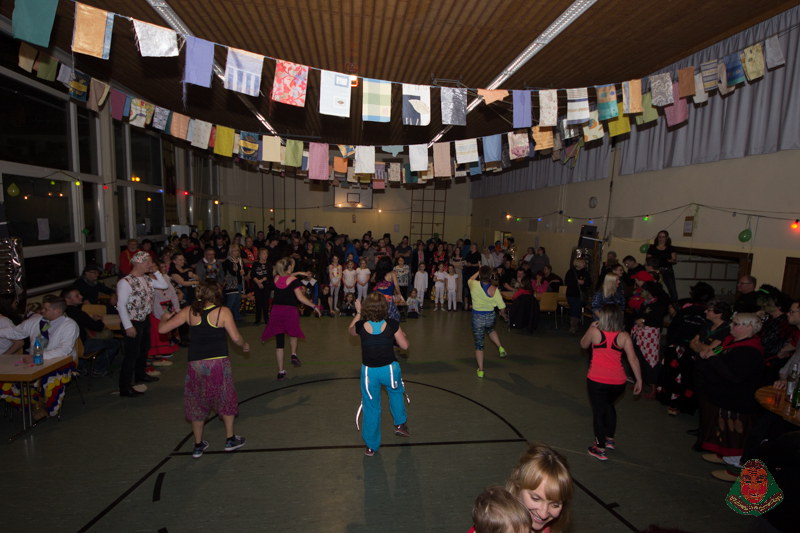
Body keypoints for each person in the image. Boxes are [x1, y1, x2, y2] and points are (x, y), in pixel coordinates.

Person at [158, 281, 247, 458]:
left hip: (196, 364)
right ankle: (230, 439)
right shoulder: (223, 312)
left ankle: (198, 445)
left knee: (197, 401)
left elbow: (162, 329)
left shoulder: (188, 311)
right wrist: (244, 345)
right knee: (225, 398)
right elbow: (236, 337)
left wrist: (164, 317)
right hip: (218, 363)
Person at [696, 312, 765, 481]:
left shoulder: (749, 351)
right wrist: (709, 353)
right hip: (723, 396)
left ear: (749, 328)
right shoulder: (732, 342)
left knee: (735, 434)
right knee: (723, 429)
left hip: (737, 400)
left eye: (736, 324)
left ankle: (735, 469)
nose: (731, 326)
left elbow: (734, 376)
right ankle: (723, 454)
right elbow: (719, 351)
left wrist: (713, 359)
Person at [348, 292, 410, 457]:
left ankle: (371, 446)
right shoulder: (392, 324)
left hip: (370, 372)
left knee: (371, 406)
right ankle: (400, 423)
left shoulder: (361, 325)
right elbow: (404, 346)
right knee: (395, 393)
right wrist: (402, 336)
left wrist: (358, 313)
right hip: (389, 369)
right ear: (385, 308)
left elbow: (351, 331)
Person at [0, 295, 79, 420]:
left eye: (46, 309)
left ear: (57, 311)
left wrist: (38, 356)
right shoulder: (36, 321)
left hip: (61, 362)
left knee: (49, 380)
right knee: (7, 379)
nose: (42, 311)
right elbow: (15, 332)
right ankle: (34, 402)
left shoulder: (69, 325)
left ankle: (45, 407)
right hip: (34, 361)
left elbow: (64, 350)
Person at [580, 305, 643, 461]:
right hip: (618, 382)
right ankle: (609, 439)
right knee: (609, 406)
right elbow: (633, 359)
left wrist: (590, 328)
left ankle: (600, 448)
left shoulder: (594, 332)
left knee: (599, 412)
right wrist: (639, 380)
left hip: (597, 380)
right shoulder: (624, 336)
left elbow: (583, 344)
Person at [116, 251, 170, 397]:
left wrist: (156, 271)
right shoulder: (125, 282)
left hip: (145, 319)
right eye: (148, 262)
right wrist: (128, 326)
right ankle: (125, 386)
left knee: (143, 350)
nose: (150, 265)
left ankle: (140, 375)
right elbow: (121, 305)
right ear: (138, 263)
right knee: (131, 355)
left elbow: (164, 285)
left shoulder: (146, 279)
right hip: (133, 321)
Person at [260, 257, 321, 380]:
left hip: (276, 311)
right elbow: (300, 298)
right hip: (290, 311)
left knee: (279, 343)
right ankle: (293, 354)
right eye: (292, 265)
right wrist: (314, 306)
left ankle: (281, 371)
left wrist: (299, 273)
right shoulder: (294, 281)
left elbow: (285, 276)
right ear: (289, 267)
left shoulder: (276, 278)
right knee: (293, 333)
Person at [505, 444, 574, 533]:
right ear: (518, 485)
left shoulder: (553, 527)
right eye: (535, 498)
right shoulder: (495, 526)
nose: (543, 514)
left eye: (555, 505)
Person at [61, 287, 119, 377]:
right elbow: (98, 327)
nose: (81, 296)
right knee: (114, 343)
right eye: (77, 296)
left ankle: (81, 367)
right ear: (67, 299)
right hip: (81, 346)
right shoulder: (78, 313)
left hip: (68, 346)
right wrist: (98, 320)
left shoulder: (62, 312)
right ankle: (99, 369)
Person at [469, 266, 508, 378]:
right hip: (490, 316)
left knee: (479, 345)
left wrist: (479, 270)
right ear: (491, 276)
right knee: (491, 330)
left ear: (480, 275)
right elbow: (502, 307)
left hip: (477, 317)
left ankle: (481, 370)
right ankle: (500, 347)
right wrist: (503, 314)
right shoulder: (495, 290)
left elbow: (470, 279)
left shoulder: (473, 284)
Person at [646, 230, 678, 301]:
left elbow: (674, 260)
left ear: (667, 238)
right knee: (653, 288)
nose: (661, 238)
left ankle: (674, 304)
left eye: (663, 237)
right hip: (654, 270)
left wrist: (667, 260)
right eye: (659, 237)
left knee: (672, 289)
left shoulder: (670, 248)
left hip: (666, 269)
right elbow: (648, 259)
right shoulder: (652, 247)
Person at [373, 256, 405, 322]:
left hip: (378, 298)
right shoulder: (392, 273)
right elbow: (396, 285)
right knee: (392, 316)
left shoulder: (377, 273)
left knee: (378, 315)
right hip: (388, 299)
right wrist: (399, 294)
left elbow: (372, 280)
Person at [564, 257, 590, 334]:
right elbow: (567, 282)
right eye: (583, 262)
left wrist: (584, 282)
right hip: (571, 294)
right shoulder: (571, 272)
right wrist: (577, 282)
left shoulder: (585, 272)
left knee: (576, 308)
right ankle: (574, 325)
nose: (584, 264)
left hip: (580, 295)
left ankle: (573, 325)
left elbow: (589, 282)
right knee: (575, 308)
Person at [221, 247, 245, 322]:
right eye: (234, 251)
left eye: (237, 250)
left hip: (239, 282)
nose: (236, 252)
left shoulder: (239, 260)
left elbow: (241, 271)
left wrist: (242, 272)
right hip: (231, 284)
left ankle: (237, 317)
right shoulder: (228, 261)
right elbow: (231, 272)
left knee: (237, 301)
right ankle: (225, 318)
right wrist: (239, 272)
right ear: (230, 252)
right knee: (230, 302)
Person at [249, 248, 272, 325]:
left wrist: (262, 280)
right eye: (263, 254)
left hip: (266, 285)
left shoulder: (269, 264)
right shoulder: (255, 264)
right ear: (259, 255)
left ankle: (266, 319)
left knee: (266, 303)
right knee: (258, 302)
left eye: (266, 254)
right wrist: (258, 282)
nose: (265, 255)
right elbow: (253, 274)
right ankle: (257, 319)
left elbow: (269, 275)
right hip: (257, 285)